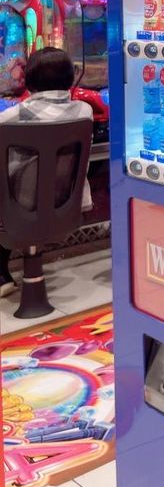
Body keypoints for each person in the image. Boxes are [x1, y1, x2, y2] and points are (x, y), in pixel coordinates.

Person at [0, 48, 94, 299]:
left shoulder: (12, 116)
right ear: (71, 78)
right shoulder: (84, 112)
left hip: (19, 209)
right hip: (65, 207)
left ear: (28, 80)